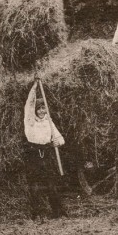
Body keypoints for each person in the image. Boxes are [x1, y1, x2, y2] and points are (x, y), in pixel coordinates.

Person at [23, 79, 67, 220]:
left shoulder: (48, 121)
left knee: (51, 183)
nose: (42, 111)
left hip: (47, 153)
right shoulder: (29, 121)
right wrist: (35, 87)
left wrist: (57, 142)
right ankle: (37, 213)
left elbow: (60, 138)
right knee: (35, 185)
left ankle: (57, 211)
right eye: (39, 109)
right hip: (33, 153)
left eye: (44, 108)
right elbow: (29, 104)